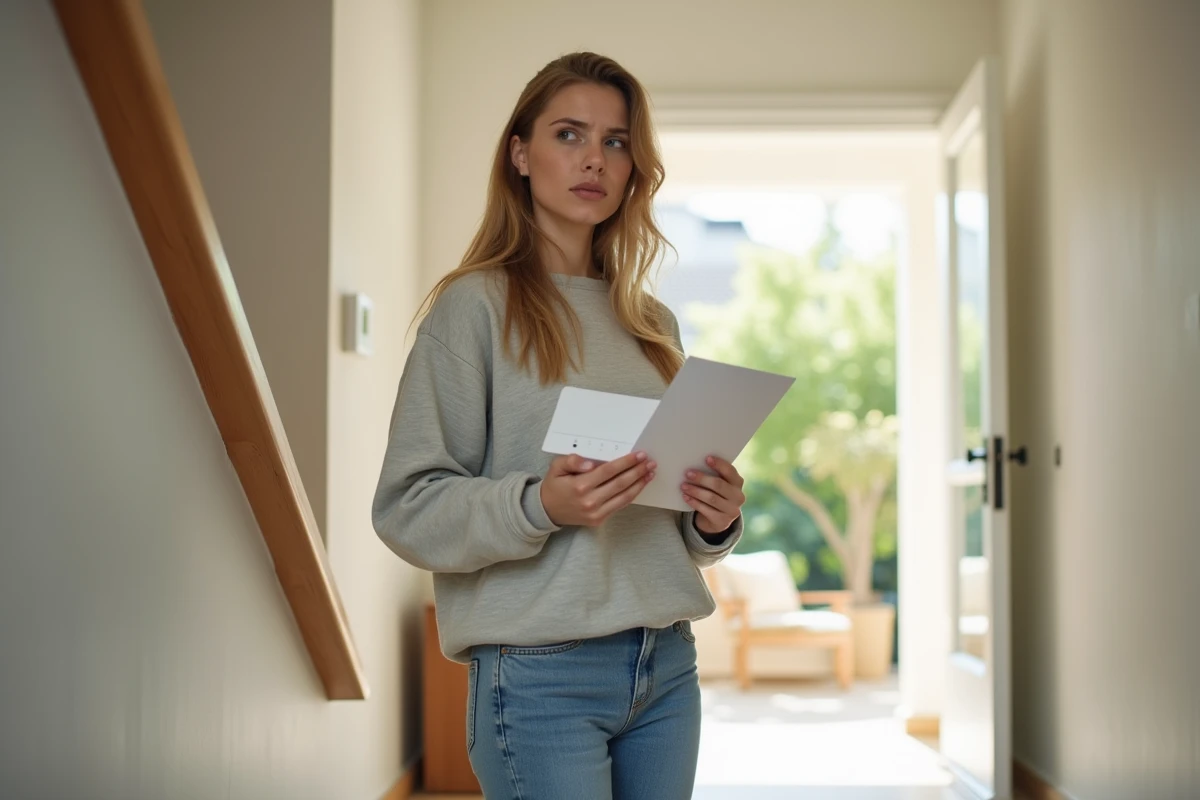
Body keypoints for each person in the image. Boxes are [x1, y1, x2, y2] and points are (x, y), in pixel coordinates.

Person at [372, 51, 745, 800]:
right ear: (520, 153)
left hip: (666, 665)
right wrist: (542, 505)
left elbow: (665, 519)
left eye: (615, 141)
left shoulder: (651, 323)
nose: (594, 160)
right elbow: (406, 509)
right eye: (570, 134)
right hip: (539, 674)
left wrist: (715, 517)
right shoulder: (472, 308)